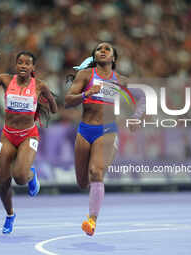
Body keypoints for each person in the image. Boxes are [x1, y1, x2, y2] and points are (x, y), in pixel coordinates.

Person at [0, 51, 58, 234]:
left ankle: (30, 174)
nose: (23, 66)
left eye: (27, 63)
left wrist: (49, 100)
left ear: (32, 68)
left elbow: (54, 108)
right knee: (3, 183)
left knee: (19, 177)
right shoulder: (5, 80)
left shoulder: (40, 85)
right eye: (20, 62)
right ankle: (10, 215)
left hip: (29, 135)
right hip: (8, 136)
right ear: (16, 65)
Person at [65, 42, 130, 236]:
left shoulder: (121, 80)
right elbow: (68, 101)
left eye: (107, 49)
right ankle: (93, 201)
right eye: (99, 49)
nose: (102, 50)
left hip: (107, 130)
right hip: (85, 130)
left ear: (113, 58)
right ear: (94, 55)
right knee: (82, 182)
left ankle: (92, 220)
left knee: (96, 172)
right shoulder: (85, 75)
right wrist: (86, 94)